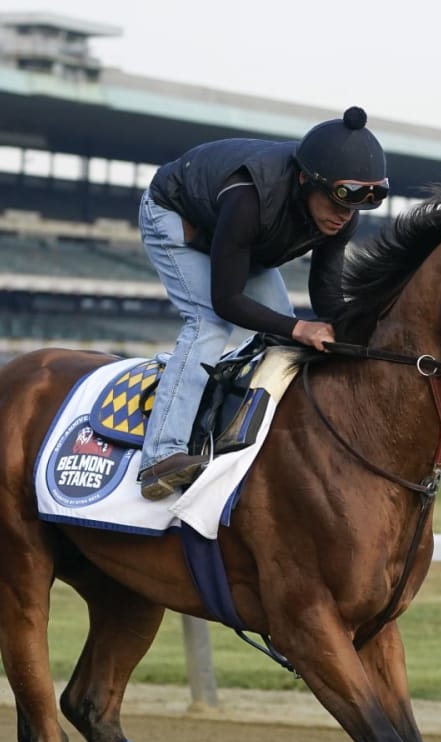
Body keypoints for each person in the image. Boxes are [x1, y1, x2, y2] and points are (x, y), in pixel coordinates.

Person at [135, 106, 389, 500]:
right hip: (178, 217)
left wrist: (365, 328)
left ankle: (247, 436)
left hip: (242, 241)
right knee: (209, 325)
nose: (344, 215)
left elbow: (327, 298)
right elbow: (226, 301)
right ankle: (159, 458)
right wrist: (299, 327)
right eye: (339, 199)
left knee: (281, 336)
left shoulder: (342, 218)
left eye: (356, 204)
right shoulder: (249, 197)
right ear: (306, 179)